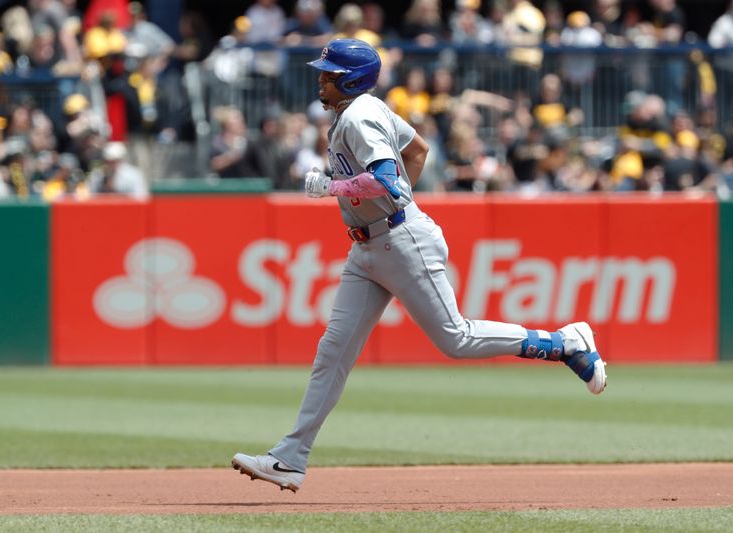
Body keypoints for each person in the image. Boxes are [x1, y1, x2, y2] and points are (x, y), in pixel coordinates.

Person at [231, 38, 607, 493]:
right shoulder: (368, 109)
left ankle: (564, 341)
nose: (321, 78)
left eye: (329, 73)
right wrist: (391, 201)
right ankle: (290, 457)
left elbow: (389, 178)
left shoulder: (359, 115)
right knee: (333, 352)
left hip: (400, 240)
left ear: (350, 79)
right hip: (370, 245)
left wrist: (332, 188)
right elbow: (420, 150)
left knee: (456, 338)